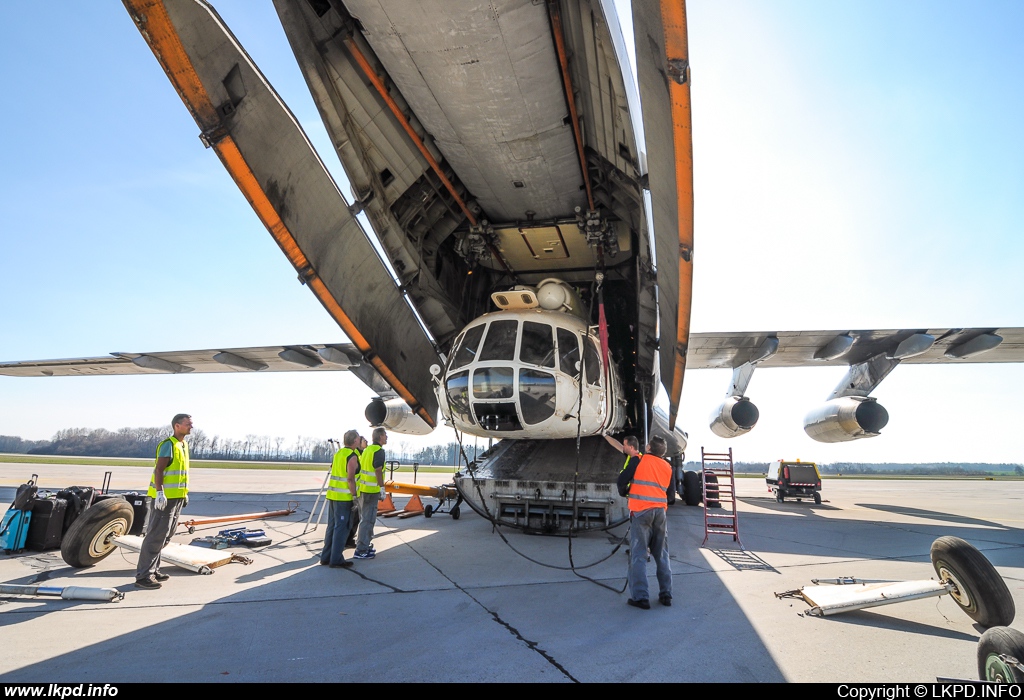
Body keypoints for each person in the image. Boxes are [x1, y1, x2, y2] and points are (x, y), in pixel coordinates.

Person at [135, 414, 192, 589]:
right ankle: (143, 576)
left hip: (177, 498)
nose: (191, 427)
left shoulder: (182, 445)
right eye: (188, 424)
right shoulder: (168, 445)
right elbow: (159, 470)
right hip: (164, 499)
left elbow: (180, 473)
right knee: (155, 535)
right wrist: (160, 493)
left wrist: (184, 494)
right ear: (177, 426)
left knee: (166, 535)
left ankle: (154, 569)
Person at [618, 435, 673, 609]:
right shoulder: (667, 466)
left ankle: (641, 597)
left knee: (638, 555)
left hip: (641, 512)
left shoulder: (639, 460)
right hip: (660, 513)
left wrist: (626, 491)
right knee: (662, 554)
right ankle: (666, 595)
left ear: (648, 448)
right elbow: (670, 495)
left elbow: (621, 481)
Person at [320, 430, 360, 568]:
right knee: (341, 528)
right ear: (354, 441)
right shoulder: (352, 456)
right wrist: (354, 496)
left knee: (332, 526)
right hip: (344, 497)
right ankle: (336, 559)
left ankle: (326, 556)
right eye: (358, 438)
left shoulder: (338, 454)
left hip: (333, 495)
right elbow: (350, 479)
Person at [354, 428, 388, 560]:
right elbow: (378, 471)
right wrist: (382, 488)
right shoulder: (378, 451)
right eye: (385, 435)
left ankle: (365, 545)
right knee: (368, 520)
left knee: (364, 519)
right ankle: (361, 550)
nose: (387, 437)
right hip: (371, 491)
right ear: (380, 436)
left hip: (363, 489)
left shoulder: (367, 450)